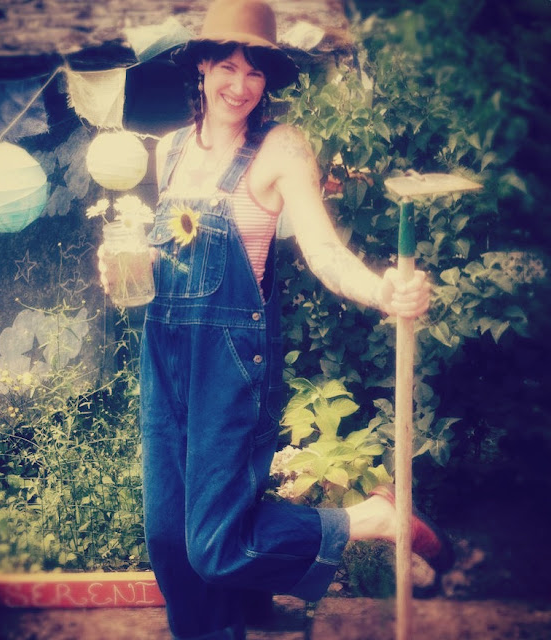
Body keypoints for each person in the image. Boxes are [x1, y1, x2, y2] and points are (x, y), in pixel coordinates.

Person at [99, 1, 450, 637]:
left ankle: (371, 519)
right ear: (202, 67)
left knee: (216, 544)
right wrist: (125, 265)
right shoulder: (169, 150)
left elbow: (324, 252)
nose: (240, 85)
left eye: (255, 72)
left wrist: (383, 290)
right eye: (228, 67)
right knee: (169, 540)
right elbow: (168, 258)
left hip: (230, 364)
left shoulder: (280, 148)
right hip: (164, 356)